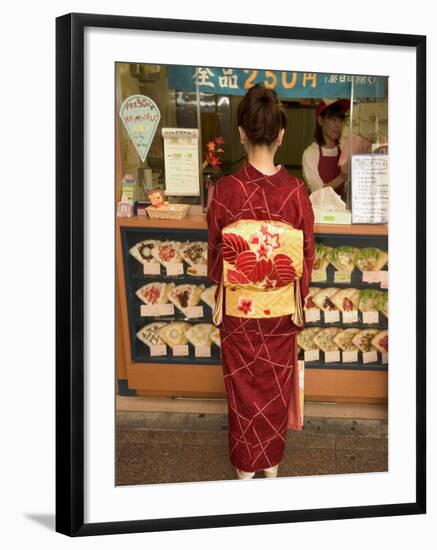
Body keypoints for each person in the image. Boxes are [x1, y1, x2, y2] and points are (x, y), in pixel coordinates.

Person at [206, 84, 315, 480]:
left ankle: (244, 469)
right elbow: (306, 260)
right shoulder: (296, 193)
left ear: (241, 132)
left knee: (242, 391)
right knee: (272, 388)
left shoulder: (224, 192)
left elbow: (217, 262)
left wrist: (243, 276)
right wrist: (288, 290)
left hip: (238, 312)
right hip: (281, 311)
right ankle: (269, 465)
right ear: (281, 135)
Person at [302, 99, 350, 200]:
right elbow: (317, 191)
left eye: (341, 121)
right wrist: (342, 177)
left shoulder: (344, 150)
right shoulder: (310, 153)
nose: (338, 125)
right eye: (333, 120)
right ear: (320, 121)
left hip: (343, 211)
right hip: (320, 212)